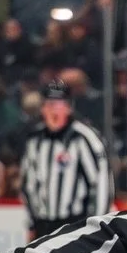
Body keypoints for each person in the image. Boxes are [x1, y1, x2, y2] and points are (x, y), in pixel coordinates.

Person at [19, 78, 113, 238]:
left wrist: (96, 225)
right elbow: (28, 184)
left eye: (59, 105)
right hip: (43, 224)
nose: (53, 111)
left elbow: (101, 183)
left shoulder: (84, 138)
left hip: (75, 224)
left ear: (69, 108)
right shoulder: (34, 140)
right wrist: (32, 223)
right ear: (42, 109)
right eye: (49, 105)